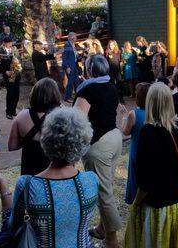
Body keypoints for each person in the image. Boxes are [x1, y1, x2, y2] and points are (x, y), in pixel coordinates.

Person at [0, 108, 98, 248]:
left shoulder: (28, 184)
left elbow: (9, 227)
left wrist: (2, 184)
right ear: (83, 142)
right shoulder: (91, 181)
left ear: (45, 139)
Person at [124, 83, 178, 248]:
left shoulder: (148, 132)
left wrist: (136, 203)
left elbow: (145, 178)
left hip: (157, 206)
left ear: (150, 102)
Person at [74, 55, 122, 248]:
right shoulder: (111, 86)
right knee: (106, 187)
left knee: (103, 193)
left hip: (99, 144)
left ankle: (112, 241)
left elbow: (77, 120)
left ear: (89, 70)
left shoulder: (88, 90)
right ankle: (102, 229)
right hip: (114, 138)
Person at [8, 78, 61, 175]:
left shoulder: (21, 116)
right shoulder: (63, 117)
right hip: (56, 174)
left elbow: (12, 146)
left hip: (30, 174)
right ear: (56, 94)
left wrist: (28, 140)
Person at [121, 82, 150, 204]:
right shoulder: (154, 112)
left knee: (135, 177)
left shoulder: (133, 114)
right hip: (149, 150)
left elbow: (126, 132)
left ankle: (135, 200)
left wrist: (124, 116)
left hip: (136, 149)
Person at [0, 37, 22, 119]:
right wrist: (5, 71)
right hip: (8, 74)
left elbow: (18, 58)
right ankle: (8, 112)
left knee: (17, 93)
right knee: (10, 93)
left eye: (11, 43)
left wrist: (17, 61)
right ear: (4, 43)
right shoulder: (0, 50)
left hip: (16, 72)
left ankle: (13, 109)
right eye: (8, 43)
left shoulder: (14, 48)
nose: (10, 45)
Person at [62, 32, 80, 102]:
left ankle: (78, 95)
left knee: (76, 81)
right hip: (69, 67)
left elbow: (74, 56)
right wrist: (67, 67)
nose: (76, 38)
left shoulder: (73, 45)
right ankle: (67, 97)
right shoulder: (67, 45)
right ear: (70, 37)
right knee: (70, 82)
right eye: (75, 37)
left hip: (74, 65)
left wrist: (79, 56)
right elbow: (64, 57)